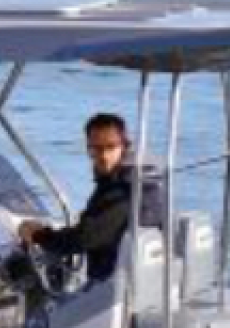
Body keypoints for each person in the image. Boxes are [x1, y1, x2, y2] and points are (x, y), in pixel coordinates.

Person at [18, 112, 149, 284]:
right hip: (130, 276)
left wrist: (38, 235)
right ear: (89, 149)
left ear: (124, 146)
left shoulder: (122, 189)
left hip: (110, 284)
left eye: (111, 147)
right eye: (97, 148)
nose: (104, 155)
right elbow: (99, 228)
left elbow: (84, 239)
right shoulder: (138, 179)